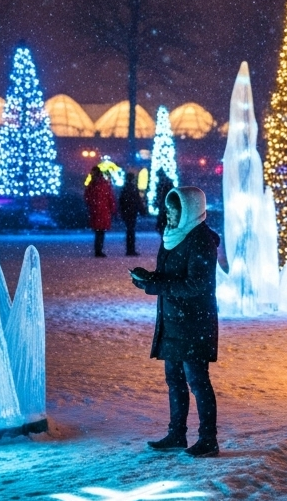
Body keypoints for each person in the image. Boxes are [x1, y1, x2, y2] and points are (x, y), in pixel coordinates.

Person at [132, 187, 223, 458]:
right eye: (168, 209)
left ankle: (209, 439)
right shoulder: (172, 237)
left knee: (197, 380)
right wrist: (148, 278)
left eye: (175, 209)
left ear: (190, 210)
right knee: (174, 379)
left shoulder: (202, 240)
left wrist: (157, 285)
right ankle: (177, 433)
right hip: (173, 321)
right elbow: (167, 276)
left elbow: (197, 284)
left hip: (194, 323)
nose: (169, 214)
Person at [84, 166, 117, 258]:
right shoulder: (104, 184)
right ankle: (99, 250)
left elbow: (87, 197)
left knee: (99, 231)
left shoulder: (93, 185)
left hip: (97, 211)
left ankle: (98, 249)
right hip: (102, 211)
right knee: (100, 232)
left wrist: (92, 205)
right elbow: (110, 198)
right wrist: (112, 209)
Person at [118, 171, 144, 257]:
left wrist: (122, 211)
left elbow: (121, 201)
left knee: (129, 230)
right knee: (131, 231)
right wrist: (142, 210)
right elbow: (138, 200)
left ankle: (130, 249)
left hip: (127, 212)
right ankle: (131, 249)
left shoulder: (125, 189)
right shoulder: (133, 188)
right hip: (132, 212)